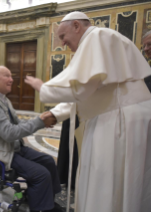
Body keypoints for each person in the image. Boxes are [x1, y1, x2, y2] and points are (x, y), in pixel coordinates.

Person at [25, 11, 151, 212]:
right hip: (117, 115)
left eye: (63, 36)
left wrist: (44, 88)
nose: (63, 44)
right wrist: (56, 114)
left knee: (109, 181)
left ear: (76, 26)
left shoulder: (97, 37)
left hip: (118, 121)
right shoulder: (98, 41)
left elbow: (82, 89)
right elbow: (92, 91)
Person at [0, 65, 62, 212]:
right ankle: (41, 208)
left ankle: (47, 203)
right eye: (7, 76)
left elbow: (17, 124)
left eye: (11, 76)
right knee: (41, 174)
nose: (11, 79)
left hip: (12, 147)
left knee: (48, 162)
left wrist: (40, 121)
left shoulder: (2, 99)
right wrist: (39, 122)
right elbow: (9, 133)